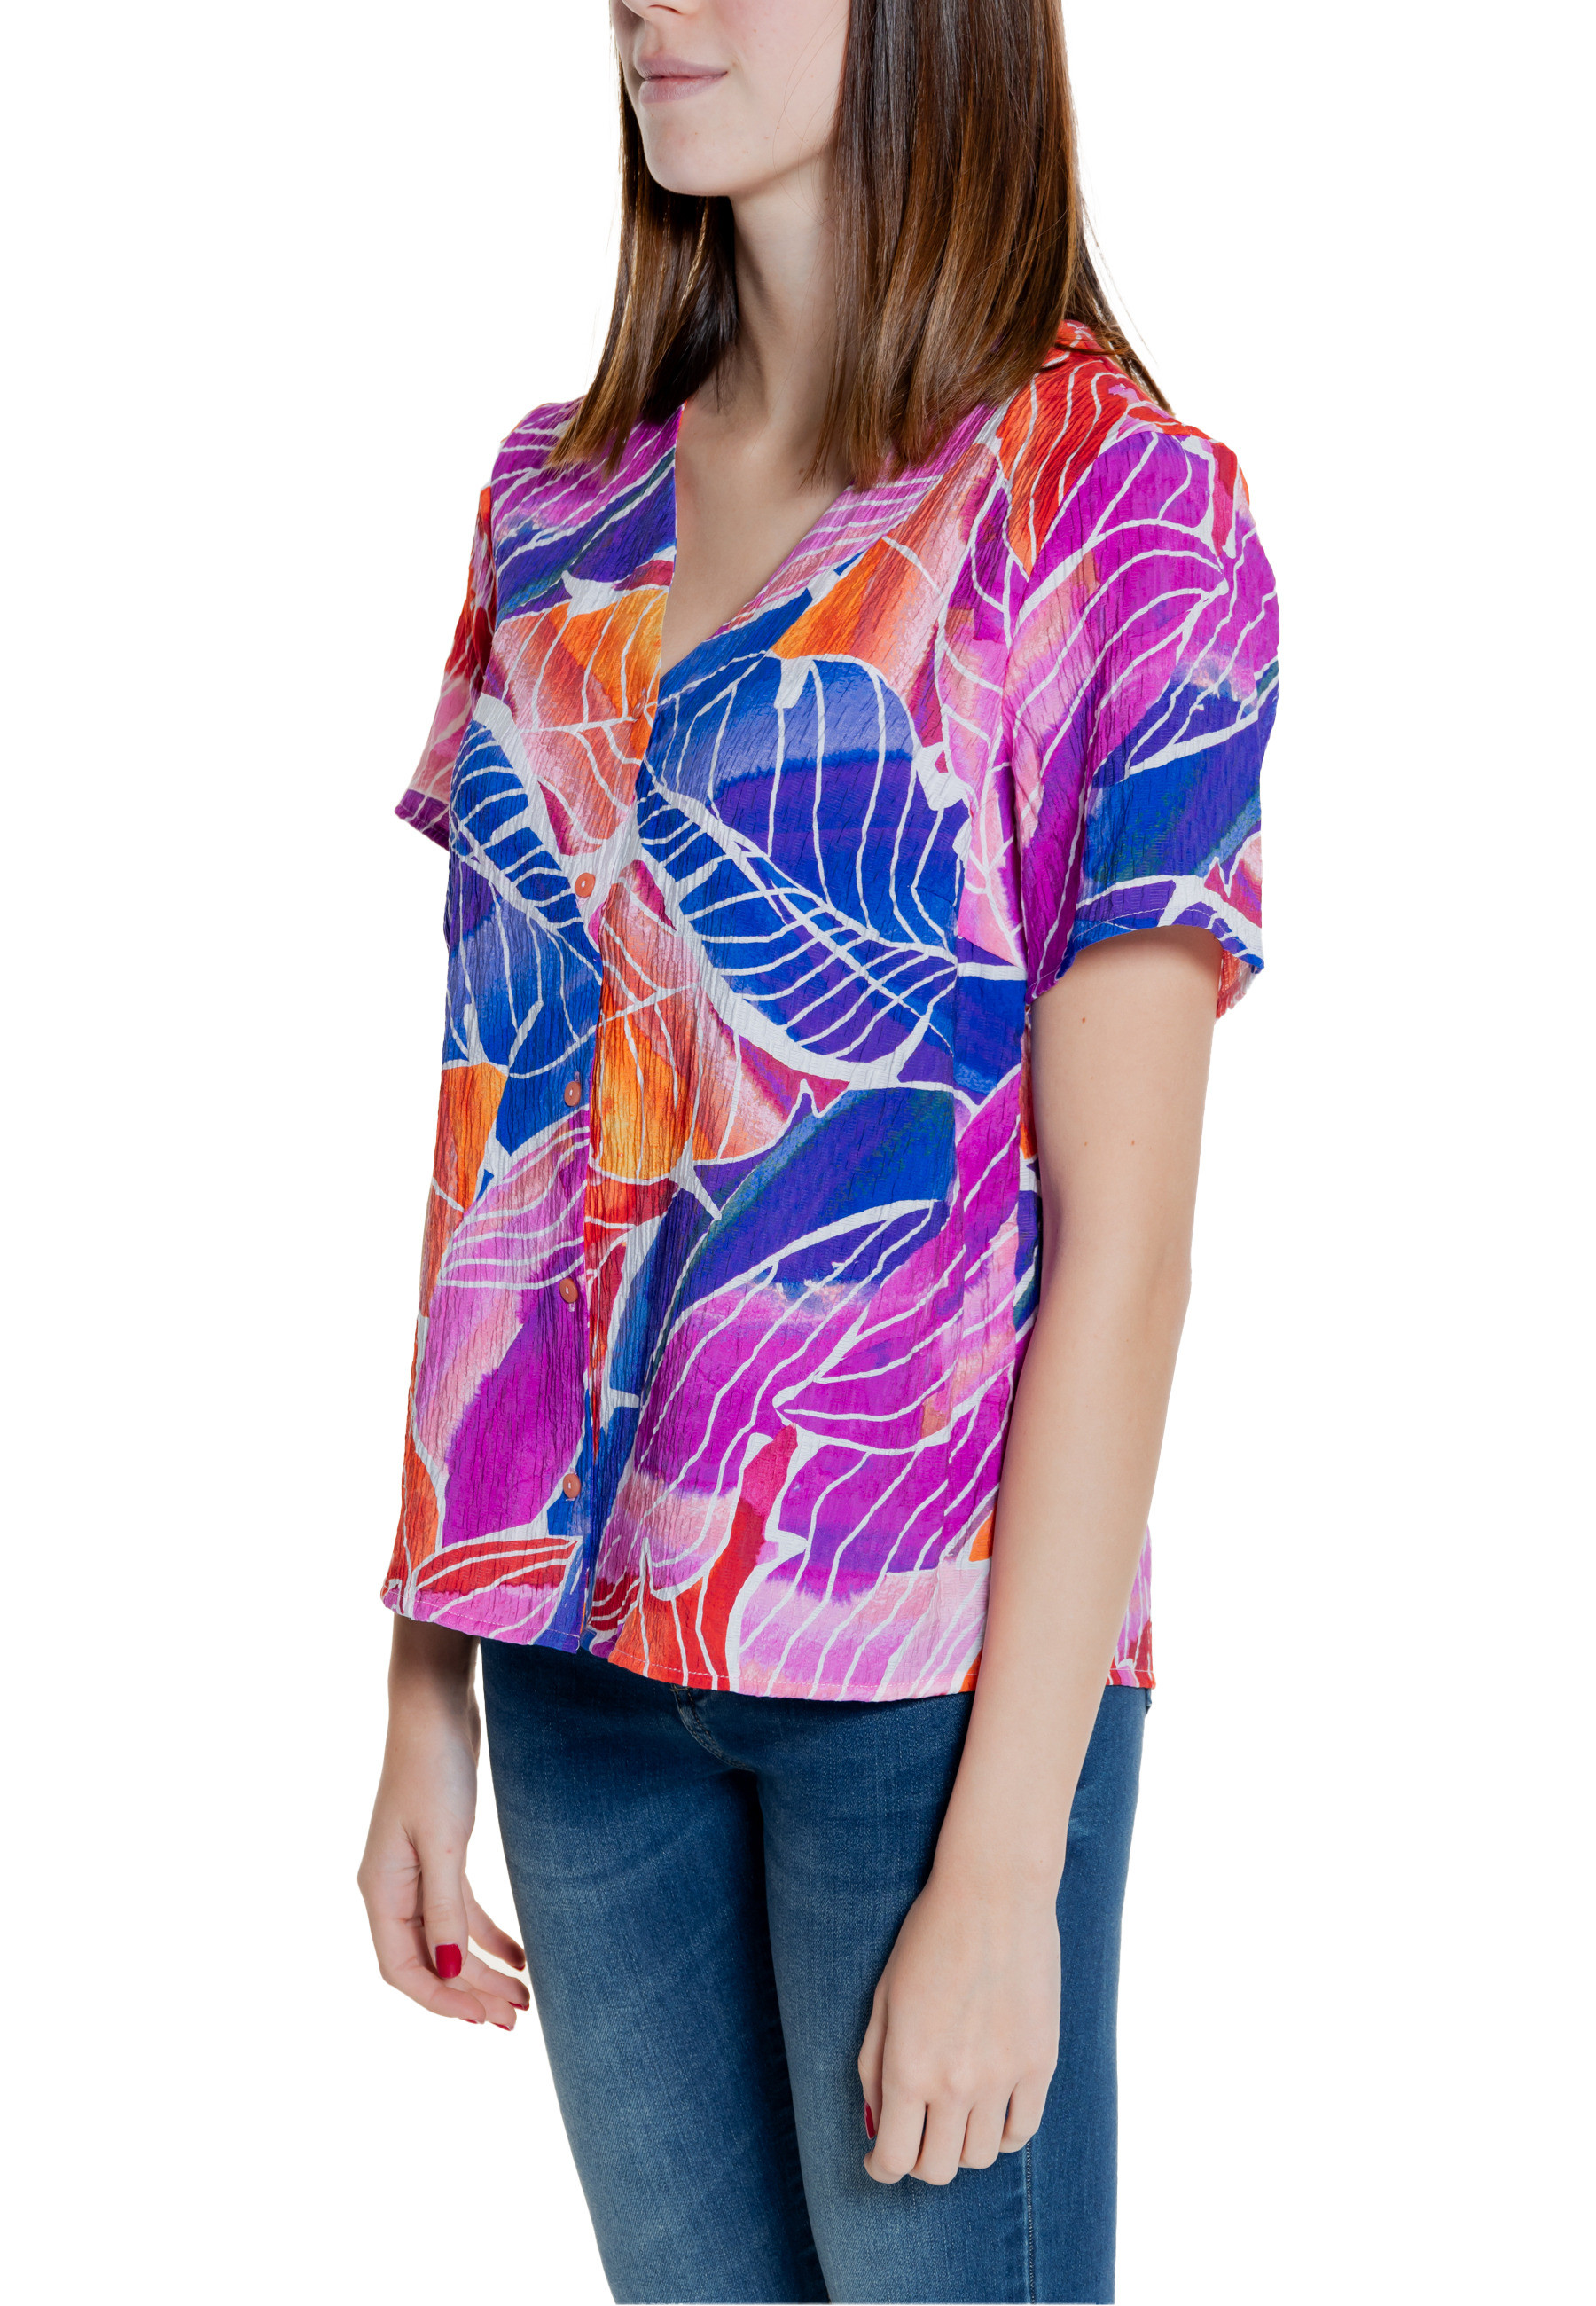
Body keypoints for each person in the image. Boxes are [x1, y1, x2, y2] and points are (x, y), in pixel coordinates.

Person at [357, 3, 1279, 2299]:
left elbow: (1129, 1252)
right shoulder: (554, 505)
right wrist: (424, 1689)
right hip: (581, 1682)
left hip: (929, 1695)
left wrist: (1008, 1863)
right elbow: (497, 1134)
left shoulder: (1111, 508)